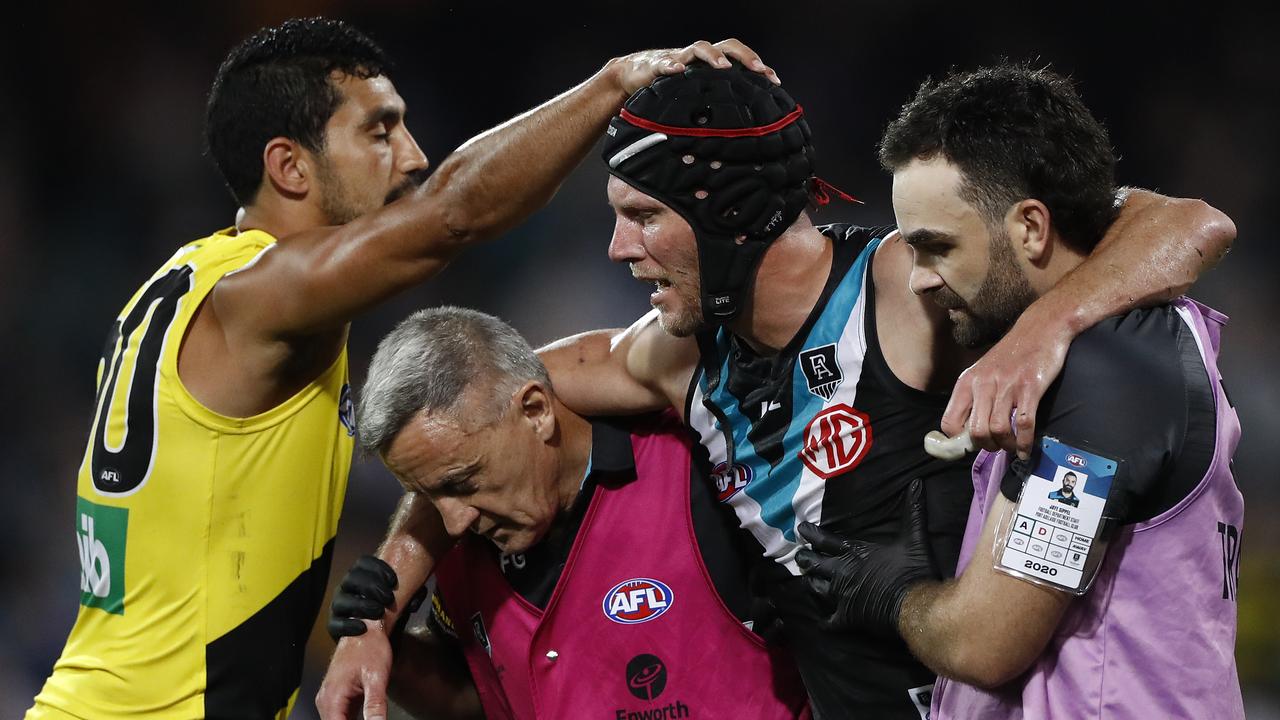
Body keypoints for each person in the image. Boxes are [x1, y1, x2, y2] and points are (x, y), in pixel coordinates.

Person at [326, 62, 1235, 719]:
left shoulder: (911, 288)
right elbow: (461, 426)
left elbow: (1184, 222)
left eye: (642, 218)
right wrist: (381, 609)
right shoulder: (669, 357)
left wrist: (1042, 329)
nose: (619, 250)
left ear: (721, 211)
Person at [27, 16, 772, 719]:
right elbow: (455, 215)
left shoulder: (181, 288)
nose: (412, 156)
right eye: (378, 131)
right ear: (289, 166)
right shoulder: (259, 299)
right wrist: (613, 84)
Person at [794, 63, 1244, 719]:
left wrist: (897, 593)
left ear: (1031, 228)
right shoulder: (1083, 350)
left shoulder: (1108, 370)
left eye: (936, 247)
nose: (919, 279)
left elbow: (986, 645)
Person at [326, 306, 810, 719]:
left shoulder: (700, 464)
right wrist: (388, 647)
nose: (453, 521)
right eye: (428, 495)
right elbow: (479, 698)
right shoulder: (460, 539)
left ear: (536, 410)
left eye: (462, 482)